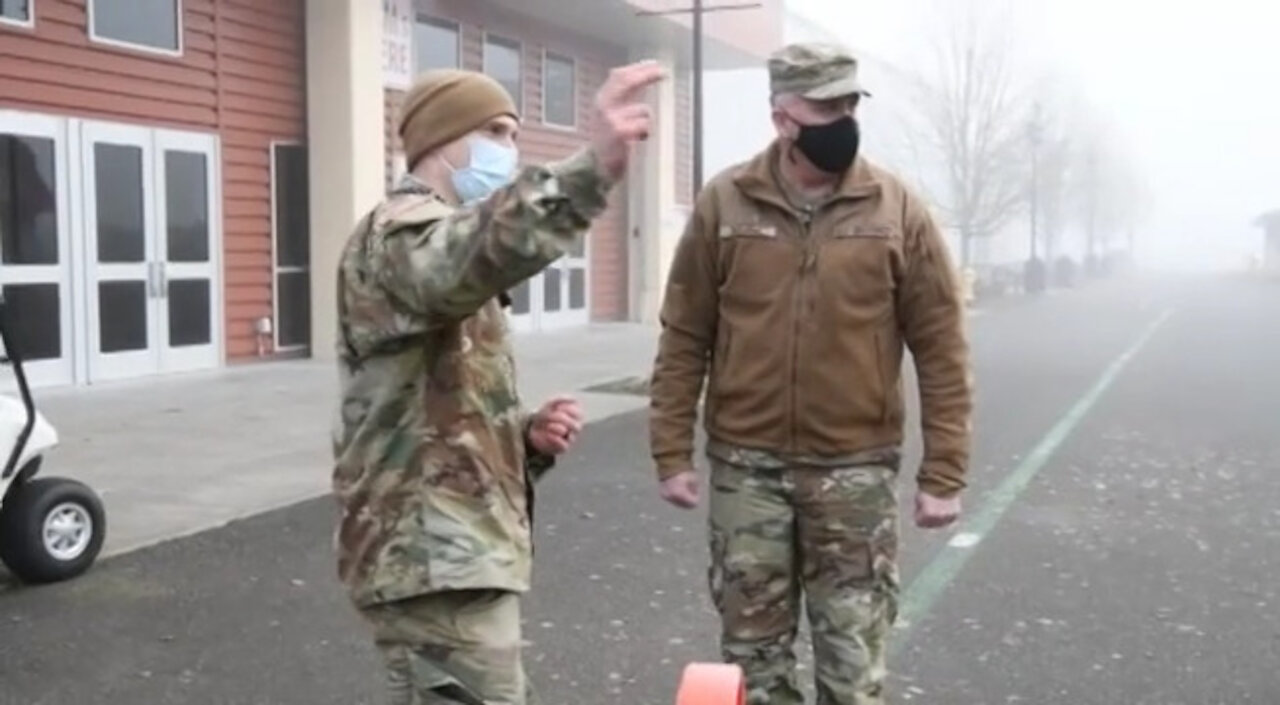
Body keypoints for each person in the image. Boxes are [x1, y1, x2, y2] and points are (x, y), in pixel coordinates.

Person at [648, 42, 974, 704]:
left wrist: (944, 471)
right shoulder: (725, 203)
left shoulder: (895, 208)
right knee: (753, 662)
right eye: (825, 105)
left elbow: (940, 344)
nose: (842, 118)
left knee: (853, 666)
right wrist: (669, 449)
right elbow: (686, 332)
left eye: (850, 103)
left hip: (854, 472)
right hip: (747, 471)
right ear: (781, 117)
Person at [332, 60, 665, 704]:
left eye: (513, 135)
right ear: (439, 138)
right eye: (495, 131)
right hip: (430, 564)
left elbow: (429, 420)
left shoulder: (429, 238)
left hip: (452, 557)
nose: (508, 151)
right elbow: (471, 255)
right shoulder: (399, 235)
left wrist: (523, 440)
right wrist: (589, 168)